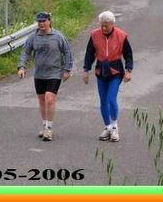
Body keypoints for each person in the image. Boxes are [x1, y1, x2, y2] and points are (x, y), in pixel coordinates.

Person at [18, 12, 73, 141]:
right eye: (39, 21)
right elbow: (25, 52)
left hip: (55, 72)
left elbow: (67, 52)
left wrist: (67, 69)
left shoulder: (58, 36)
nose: (41, 24)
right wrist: (21, 67)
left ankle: (49, 128)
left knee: (50, 98)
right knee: (42, 100)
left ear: (49, 21)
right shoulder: (33, 37)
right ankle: (44, 125)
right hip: (39, 73)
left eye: (44, 21)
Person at [82, 11, 133, 142]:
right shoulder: (94, 35)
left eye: (106, 25)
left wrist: (129, 70)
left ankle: (115, 127)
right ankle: (107, 127)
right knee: (103, 100)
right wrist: (86, 70)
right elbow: (89, 54)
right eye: (102, 25)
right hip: (101, 71)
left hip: (116, 71)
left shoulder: (121, 35)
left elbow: (128, 54)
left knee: (111, 98)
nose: (103, 28)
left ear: (112, 24)